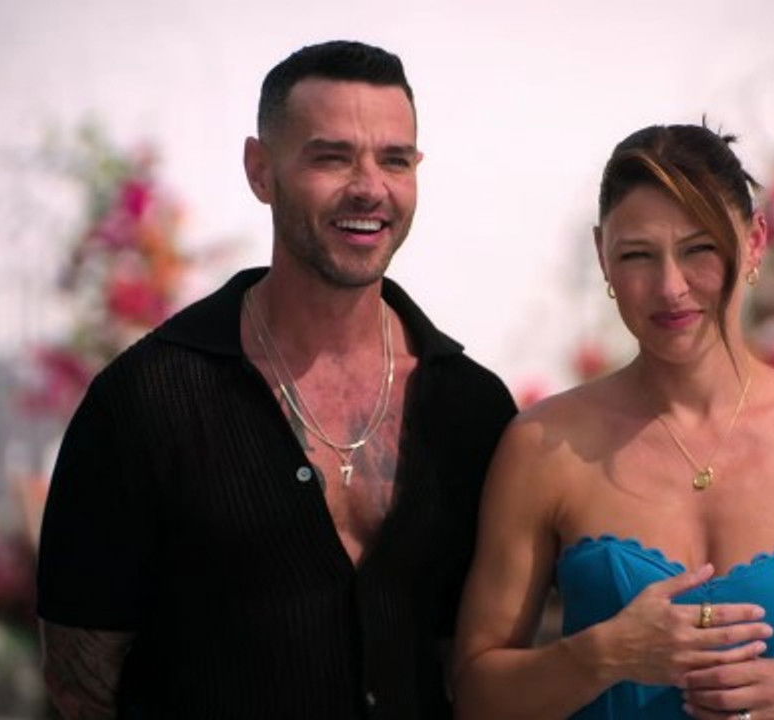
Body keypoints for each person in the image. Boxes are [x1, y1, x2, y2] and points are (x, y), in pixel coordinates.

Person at [36, 40, 516, 718]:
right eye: (332, 157)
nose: (369, 187)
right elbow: (79, 674)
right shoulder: (146, 398)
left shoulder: (471, 408)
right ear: (260, 171)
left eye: (395, 160)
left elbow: (478, 665)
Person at [451, 124, 774, 719]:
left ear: (754, 242)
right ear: (602, 256)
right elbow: (476, 696)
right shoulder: (544, 446)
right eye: (637, 255)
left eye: (699, 249)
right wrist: (603, 656)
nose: (670, 287)